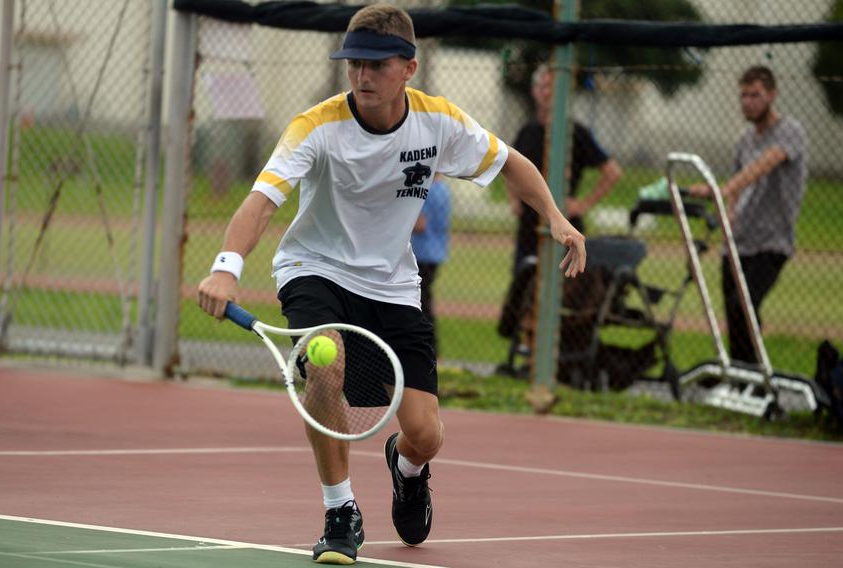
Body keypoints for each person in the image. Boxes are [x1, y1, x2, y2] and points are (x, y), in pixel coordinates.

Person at [197, 4, 586, 564]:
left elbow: (511, 163)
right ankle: (340, 511)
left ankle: (406, 468)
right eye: (354, 63)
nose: (362, 76)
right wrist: (226, 268)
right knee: (324, 363)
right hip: (315, 268)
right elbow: (260, 203)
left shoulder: (439, 121)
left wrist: (555, 215)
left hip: (393, 286)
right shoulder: (317, 126)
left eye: (377, 65)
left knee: (427, 433)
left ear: (409, 67)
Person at [688, 65, 807, 364]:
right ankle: (741, 374)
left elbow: (762, 166)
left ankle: (755, 374)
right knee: (733, 312)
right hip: (737, 241)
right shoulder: (744, 141)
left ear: (772, 95)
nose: (748, 102)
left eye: (755, 95)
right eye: (743, 95)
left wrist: (720, 190)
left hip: (771, 241)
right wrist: (729, 212)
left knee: (745, 306)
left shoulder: (789, 131)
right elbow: (741, 180)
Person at [498, 64, 621, 345]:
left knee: (562, 292)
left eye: (555, 87)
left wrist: (584, 204)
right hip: (529, 225)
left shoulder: (575, 132)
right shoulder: (527, 131)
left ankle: (558, 354)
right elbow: (506, 166)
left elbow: (612, 171)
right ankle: (526, 353)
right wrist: (513, 199)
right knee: (525, 288)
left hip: (562, 226)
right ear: (534, 91)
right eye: (543, 86)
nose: (548, 93)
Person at [411, 174, 451, 358]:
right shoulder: (443, 188)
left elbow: (419, 224)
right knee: (423, 301)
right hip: (434, 252)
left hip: (422, 253)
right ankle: (431, 347)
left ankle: (430, 347)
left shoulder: (424, 189)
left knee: (421, 304)